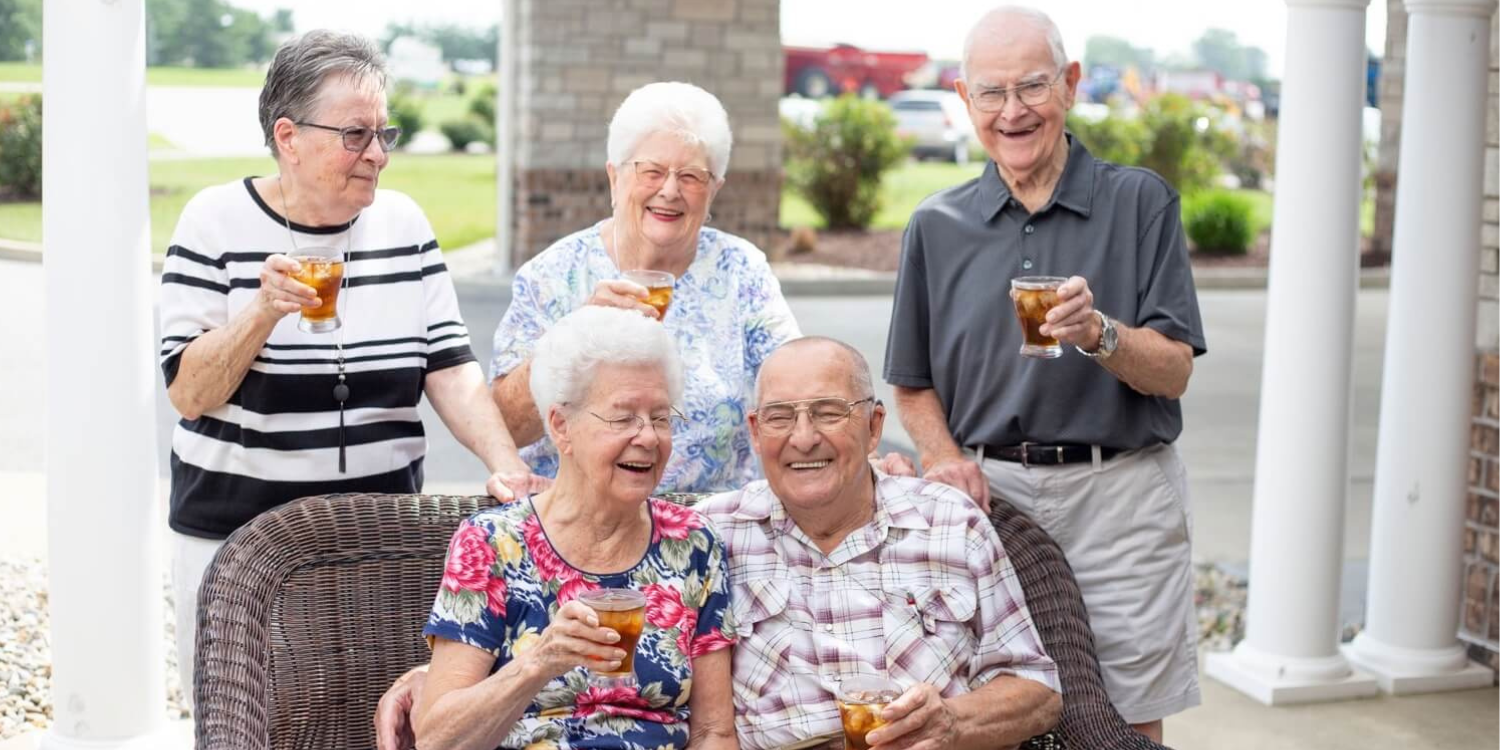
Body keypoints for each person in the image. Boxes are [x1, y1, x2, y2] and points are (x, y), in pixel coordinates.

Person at [157, 30, 542, 700]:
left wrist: (504, 463)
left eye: (383, 133)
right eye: (357, 136)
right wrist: (259, 314)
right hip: (235, 544)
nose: (379, 155)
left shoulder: (405, 224)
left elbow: (450, 368)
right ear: (289, 136)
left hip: (376, 539)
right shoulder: (214, 222)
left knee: (376, 717)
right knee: (247, 724)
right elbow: (189, 392)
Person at [882, 6, 1208, 741]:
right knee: (995, 711)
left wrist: (1100, 334)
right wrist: (941, 458)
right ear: (965, 101)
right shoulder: (936, 225)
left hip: (1119, 498)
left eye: (1031, 87)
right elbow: (910, 381)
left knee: (1125, 715)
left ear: (1068, 85)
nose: (1012, 111)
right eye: (990, 94)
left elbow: (1175, 371)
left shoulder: (1138, 202)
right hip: (991, 503)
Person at [701, 337, 1061, 750]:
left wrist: (951, 722)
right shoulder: (712, 534)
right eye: (780, 417)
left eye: (828, 412)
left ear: (874, 427)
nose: (803, 438)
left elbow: (1038, 692)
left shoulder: (950, 522)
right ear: (755, 432)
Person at [412, 306, 736, 750]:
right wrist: (540, 661)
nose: (647, 437)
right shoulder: (492, 543)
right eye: (623, 417)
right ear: (562, 427)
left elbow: (713, 731)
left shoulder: (694, 542)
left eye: (660, 418)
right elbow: (437, 739)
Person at [487, 81, 801, 494]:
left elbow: (796, 387)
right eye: (651, 171)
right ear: (614, 176)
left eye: (691, 176)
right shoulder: (553, 275)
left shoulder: (740, 269)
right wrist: (574, 336)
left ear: (714, 190)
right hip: (579, 530)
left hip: (711, 526)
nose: (669, 191)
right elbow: (507, 426)